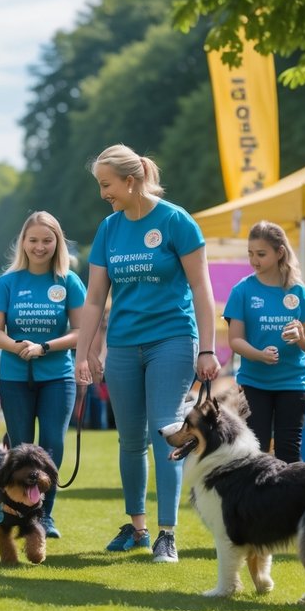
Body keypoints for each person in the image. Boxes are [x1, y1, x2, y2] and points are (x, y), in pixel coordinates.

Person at [74, 144, 220, 563]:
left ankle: (166, 534)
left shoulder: (177, 221)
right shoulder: (109, 229)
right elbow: (95, 297)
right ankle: (137, 529)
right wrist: (85, 353)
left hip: (172, 339)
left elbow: (201, 288)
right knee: (130, 439)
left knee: (166, 432)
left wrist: (207, 348)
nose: (103, 193)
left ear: (131, 181)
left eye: (107, 184)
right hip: (122, 344)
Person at [0, 211, 85, 539]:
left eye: (47, 240)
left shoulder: (69, 281)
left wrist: (45, 346)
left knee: (51, 446)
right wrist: (19, 346)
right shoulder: (8, 282)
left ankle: (45, 515)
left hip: (58, 376)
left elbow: (82, 331)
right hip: (15, 378)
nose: (40, 246)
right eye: (33, 240)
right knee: (20, 448)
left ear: (58, 243)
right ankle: (14, 509)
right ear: (22, 243)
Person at [223, 221, 305, 463]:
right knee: (254, 451)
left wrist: (300, 337)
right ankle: (255, 502)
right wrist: (259, 354)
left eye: (261, 254)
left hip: (294, 381)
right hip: (254, 382)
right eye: (250, 254)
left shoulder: (299, 291)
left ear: (280, 253)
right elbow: (235, 340)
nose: (254, 260)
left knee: (288, 450)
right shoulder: (242, 290)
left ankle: (290, 501)